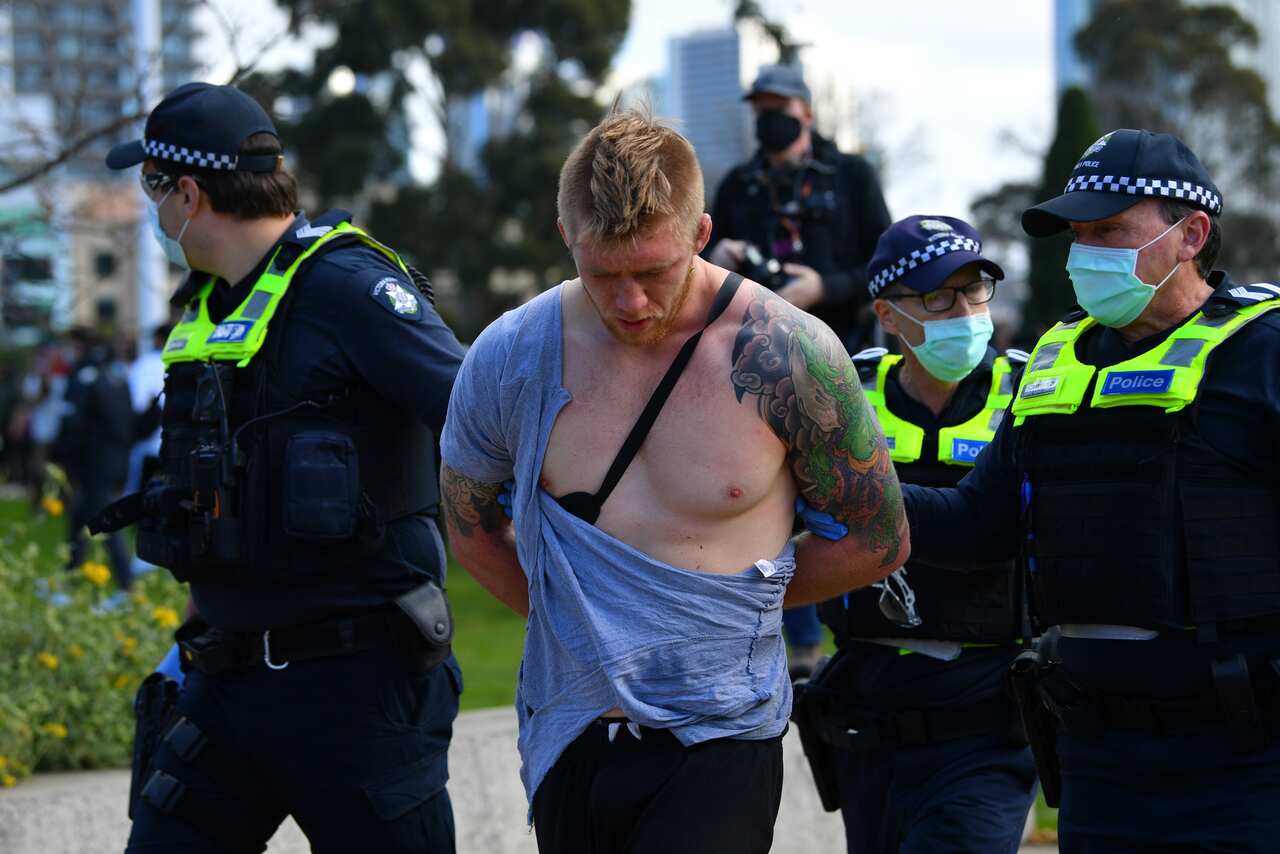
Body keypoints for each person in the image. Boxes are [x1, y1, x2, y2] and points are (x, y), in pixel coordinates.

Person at [439, 108, 909, 853]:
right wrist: (586, 628)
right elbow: (470, 527)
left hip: (721, 733)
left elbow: (879, 537)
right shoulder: (509, 356)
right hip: (572, 732)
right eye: (604, 274)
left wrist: (723, 615)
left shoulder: (788, 353)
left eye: (653, 272)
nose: (630, 303)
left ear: (701, 234)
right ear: (568, 239)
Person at [97, 82, 466, 853]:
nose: (155, 213)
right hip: (227, 680)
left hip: (356, 688)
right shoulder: (208, 306)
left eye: (153, 189)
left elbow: (480, 417)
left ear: (188, 194)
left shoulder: (350, 286)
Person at [903, 128, 1280, 852]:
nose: (1086, 254)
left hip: (1246, 761)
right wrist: (848, 489)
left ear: (1191, 234)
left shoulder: (1261, 351)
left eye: (1110, 229)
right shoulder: (1054, 361)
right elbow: (979, 525)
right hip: (1097, 759)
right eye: (1078, 234)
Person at [793, 215, 1036, 854]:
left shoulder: (1028, 388)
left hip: (988, 708)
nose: (964, 310)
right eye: (937, 296)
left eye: (975, 290)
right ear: (888, 315)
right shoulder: (840, 392)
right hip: (866, 709)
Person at [704, 64, 893, 670]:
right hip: (760, 372)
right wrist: (717, 251)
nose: (769, 117)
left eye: (779, 105)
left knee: (848, 497)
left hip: (844, 360)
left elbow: (885, 264)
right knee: (770, 500)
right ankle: (798, 644)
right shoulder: (738, 185)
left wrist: (823, 287)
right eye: (759, 107)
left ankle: (869, 627)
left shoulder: (852, 176)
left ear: (807, 111)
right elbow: (703, 277)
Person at [56, 328, 139, 588]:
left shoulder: (85, 376)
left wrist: (63, 456)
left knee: (103, 522)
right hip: (118, 459)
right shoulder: (118, 377)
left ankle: (126, 585)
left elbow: (73, 422)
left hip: (93, 462)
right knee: (80, 519)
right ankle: (70, 576)